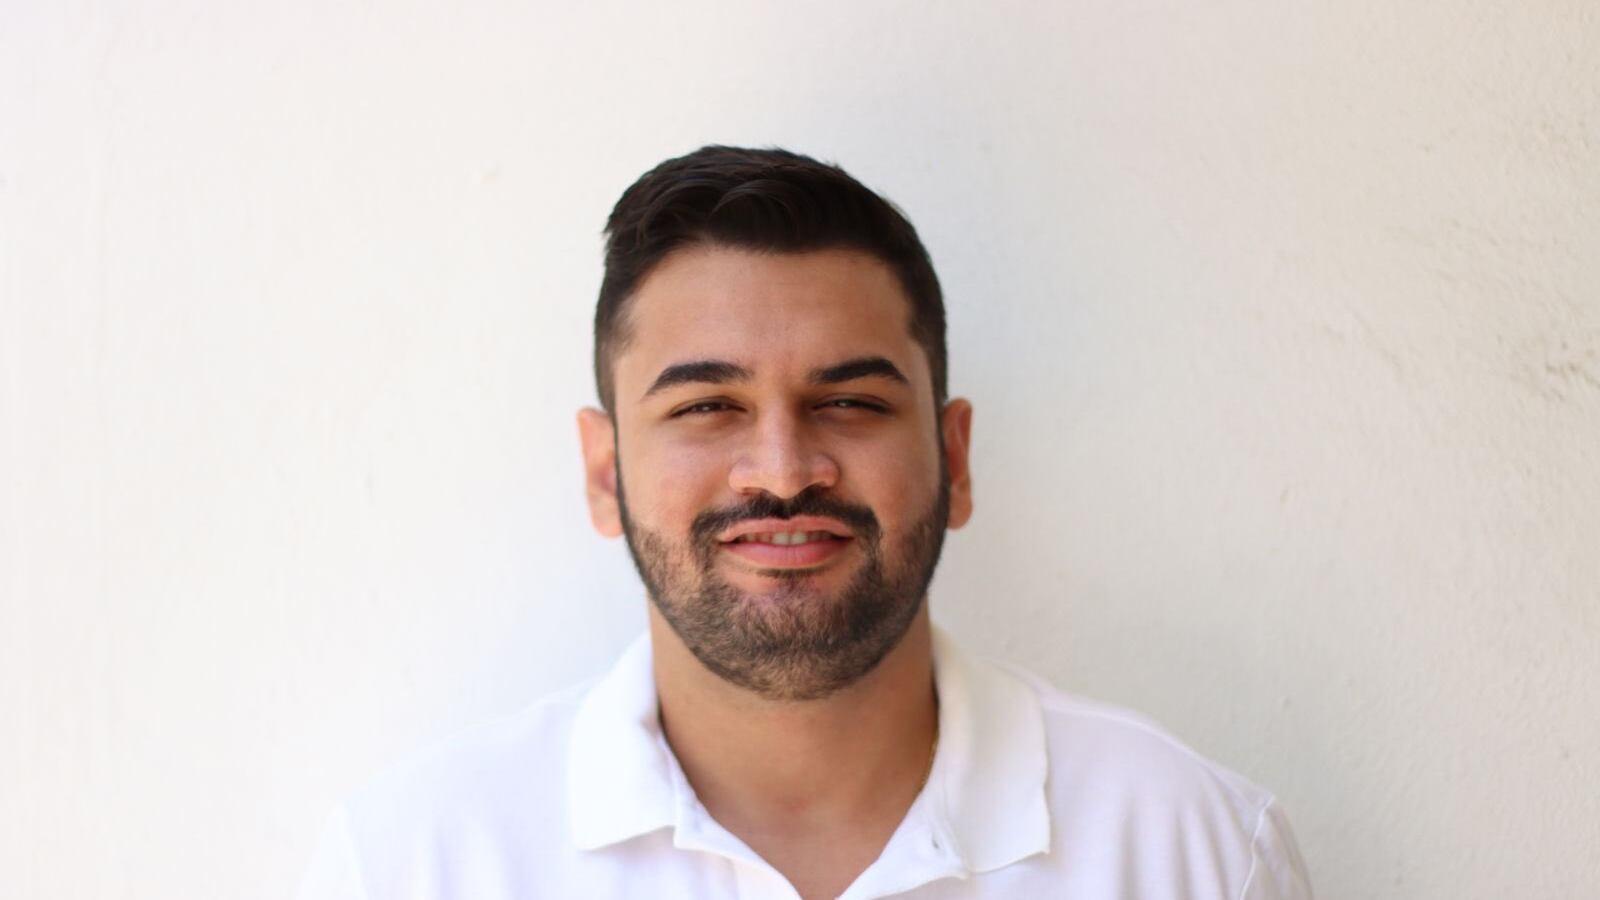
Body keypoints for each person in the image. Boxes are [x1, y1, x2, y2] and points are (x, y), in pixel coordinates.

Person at [297, 146, 1315, 900]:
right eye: (708, 406)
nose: (784, 472)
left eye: (852, 402)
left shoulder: (1196, 853)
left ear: (954, 458)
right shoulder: (410, 866)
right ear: (605, 475)